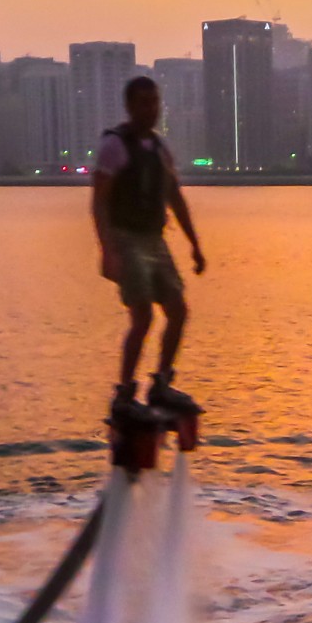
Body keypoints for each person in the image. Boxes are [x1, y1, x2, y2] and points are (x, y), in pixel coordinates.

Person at [92, 75, 206, 420]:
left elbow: (175, 198)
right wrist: (108, 250)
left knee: (178, 311)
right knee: (142, 317)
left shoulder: (160, 149)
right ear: (129, 107)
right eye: (143, 103)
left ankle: (161, 383)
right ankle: (125, 392)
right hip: (125, 238)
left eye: (154, 102)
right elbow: (99, 202)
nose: (150, 110)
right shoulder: (114, 147)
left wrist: (195, 245)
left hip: (155, 240)